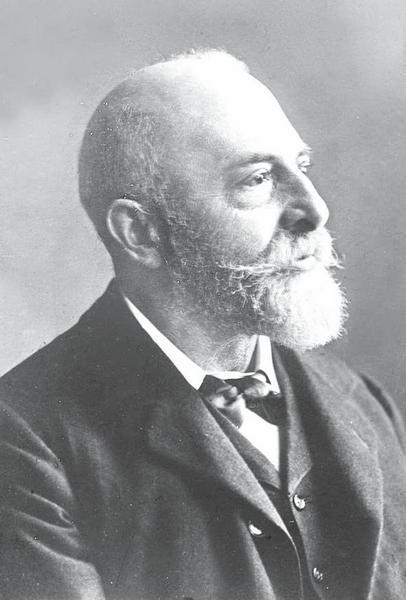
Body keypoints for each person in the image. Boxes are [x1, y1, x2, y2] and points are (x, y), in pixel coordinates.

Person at [0, 49, 405, 600]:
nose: (315, 209)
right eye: (258, 179)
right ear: (141, 232)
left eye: (302, 167)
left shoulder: (364, 403)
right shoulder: (25, 440)